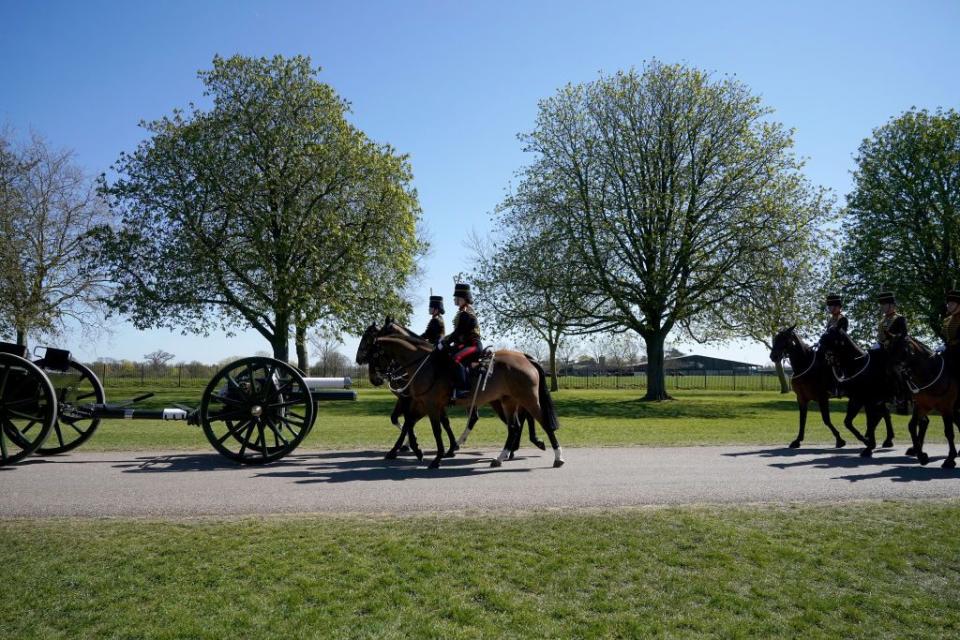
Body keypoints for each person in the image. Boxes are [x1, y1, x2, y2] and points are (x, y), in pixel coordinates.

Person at [441, 283, 483, 400]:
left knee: (456, 358)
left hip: (474, 345)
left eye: (457, 298)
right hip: (466, 344)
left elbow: (459, 332)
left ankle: (463, 388)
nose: (455, 300)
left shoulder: (466, 313)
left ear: (463, 299)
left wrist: (446, 341)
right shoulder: (463, 312)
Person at [872, 291, 909, 413]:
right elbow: (880, 337)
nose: (882, 307)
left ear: (892, 305)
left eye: (884, 304)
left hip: (897, 352)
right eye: (881, 304)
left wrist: (893, 337)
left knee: (893, 368)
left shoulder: (899, 318)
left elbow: (903, 334)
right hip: (883, 351)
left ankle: (901, 398)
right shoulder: (882, 321)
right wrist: (878, 343)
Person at [940, 289, 960, 378]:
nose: (948, 306)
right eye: (948, 304)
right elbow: (945, 336)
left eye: (952, 304)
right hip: (949, 351)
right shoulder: (947, 320)